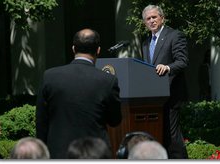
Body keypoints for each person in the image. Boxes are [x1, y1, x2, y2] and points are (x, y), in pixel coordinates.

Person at [36, 28, 122, 159]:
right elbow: (115, 120)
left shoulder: (50, 76)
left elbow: (41, 121)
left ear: (73, 49)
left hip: (59, 153)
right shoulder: (108, 80)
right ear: (98, 50)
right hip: (95, 154)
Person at [141, 5, 189, 159]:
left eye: (154, 17)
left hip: (171, 94)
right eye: (148, 19)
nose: (152, 21)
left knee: (172, 136)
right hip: (153, 97)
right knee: (159, 135)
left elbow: (182, 61)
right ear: (145, 23)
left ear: (162, 18)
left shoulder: (175, 36)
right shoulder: (145, 42)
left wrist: (167, 67)